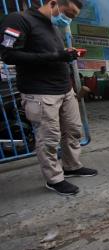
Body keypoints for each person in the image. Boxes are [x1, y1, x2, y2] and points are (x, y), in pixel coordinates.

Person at [0, 0, 97, 196]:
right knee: (48, 137)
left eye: (72, 17)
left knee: (73, 130)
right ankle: (54, 179)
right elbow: (8, 55)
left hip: (64, 89)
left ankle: (71, 166)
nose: (68, 19)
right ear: (53, 3)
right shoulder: (19, 20)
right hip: (40, 91)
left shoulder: (52, 26)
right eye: (68, 13)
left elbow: (53, 54)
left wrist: (65, 55)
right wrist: (54, 56)